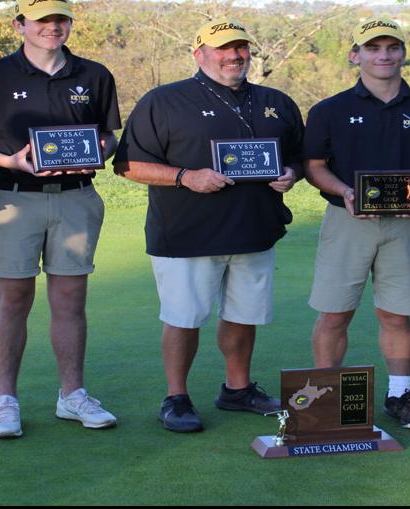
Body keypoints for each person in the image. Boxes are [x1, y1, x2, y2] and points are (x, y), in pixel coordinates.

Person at [112, 20, 303, 433]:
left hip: (255, 230)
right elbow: (127, 164)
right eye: (222, 49)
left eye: (241, 48)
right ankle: (176, 397)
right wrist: (185, 176)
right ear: (199, 54)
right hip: (187, 234)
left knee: (243, 314)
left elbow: (299, 157)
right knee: (184, 317)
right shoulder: (164, 100)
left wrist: (291, 172)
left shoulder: (276, 101)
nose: (234, 55)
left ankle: (237, 389)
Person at [0, 0, 122, 438]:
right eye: (42, 20)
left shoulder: (94, 75)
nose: (53, 28)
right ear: (20, 24)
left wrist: (94, 154)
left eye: (60, 19)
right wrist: (7, 161)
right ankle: (5, 401)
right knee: (13, 299)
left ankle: (72, 395)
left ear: (70, 23)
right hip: (13, 199)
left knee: (71, 301)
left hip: (76, 198)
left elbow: (108, 136)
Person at [302, 18, 410, 430]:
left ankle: (399, 394)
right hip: (346, 220)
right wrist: (345, 192)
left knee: (397, 314)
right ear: (356, 55)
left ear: (404, 53)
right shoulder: (329, 110)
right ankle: (328, 400)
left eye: (392, 47)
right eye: (373, 48)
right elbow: (314, 166)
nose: (383, 55)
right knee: (334, 314)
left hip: (406, 224)